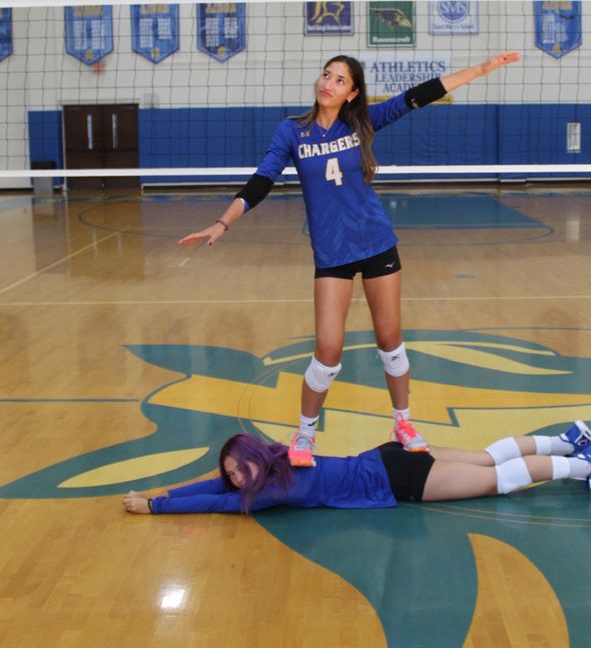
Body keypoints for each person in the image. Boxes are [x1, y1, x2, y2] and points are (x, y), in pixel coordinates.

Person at [179, 51, 520, 468]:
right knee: (327, 351)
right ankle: (304, 435)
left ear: (352, 92)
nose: (328, 83)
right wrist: (222, 223)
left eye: (339, 80)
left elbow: (419, 95)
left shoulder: (361, 123)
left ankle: (403, 422)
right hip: (332, 253)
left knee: (390, 344)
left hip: (377, 243)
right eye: (326, 75)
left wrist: (481, 71)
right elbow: (262, 179)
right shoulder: (292, 132)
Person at [122, 420, 591, 515]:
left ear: (256, 463)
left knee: (495, 480)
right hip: (387, 455)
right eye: (232, 472)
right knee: (483, 456)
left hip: (400, 478)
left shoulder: (274, 489)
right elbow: (217, 485)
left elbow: (221, 503)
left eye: (238, 470)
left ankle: (588, 468)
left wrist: (159, 508)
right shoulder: (281, 459)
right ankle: (569, 440)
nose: (234, 479)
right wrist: (163, 491)